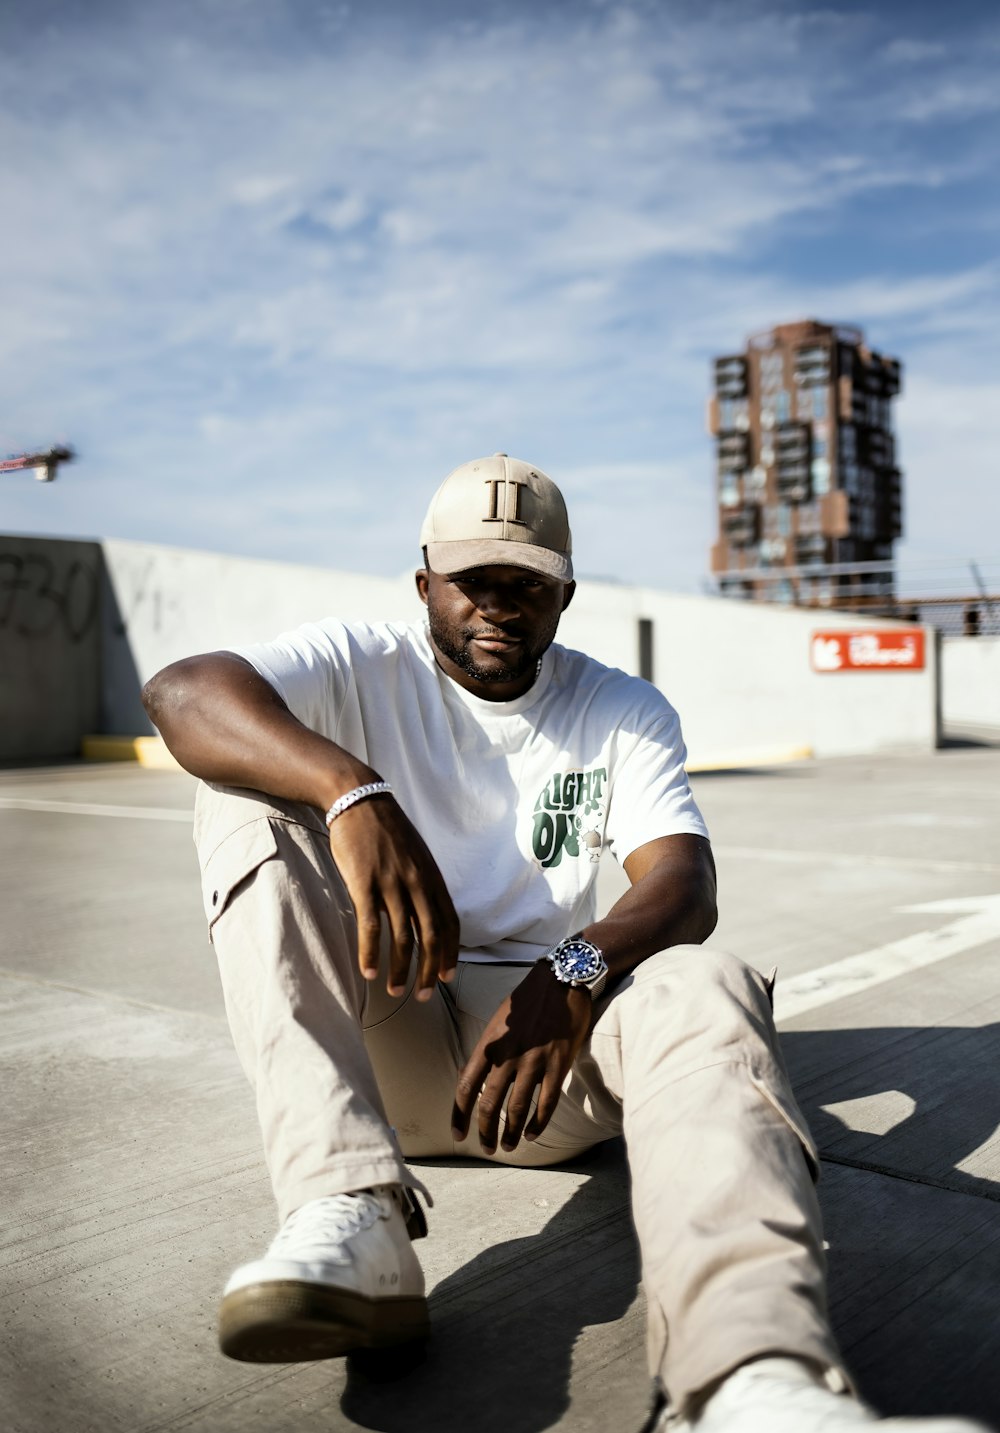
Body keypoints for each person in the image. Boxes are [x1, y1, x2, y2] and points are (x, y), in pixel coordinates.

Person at [143, 455, 986, 1433]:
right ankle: (349, 1207)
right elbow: (183, 691)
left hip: (548, 1069)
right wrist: (350, 791)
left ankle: (749, 1378)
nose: (499, 604)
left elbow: (682, 881)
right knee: (244, 805)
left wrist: (574, 970)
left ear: (563, 595)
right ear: (425, 583)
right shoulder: (358, 659)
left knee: (701, 978)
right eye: (474, 579)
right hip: (390, 1042)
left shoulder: (619, 706)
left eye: (526, 582)